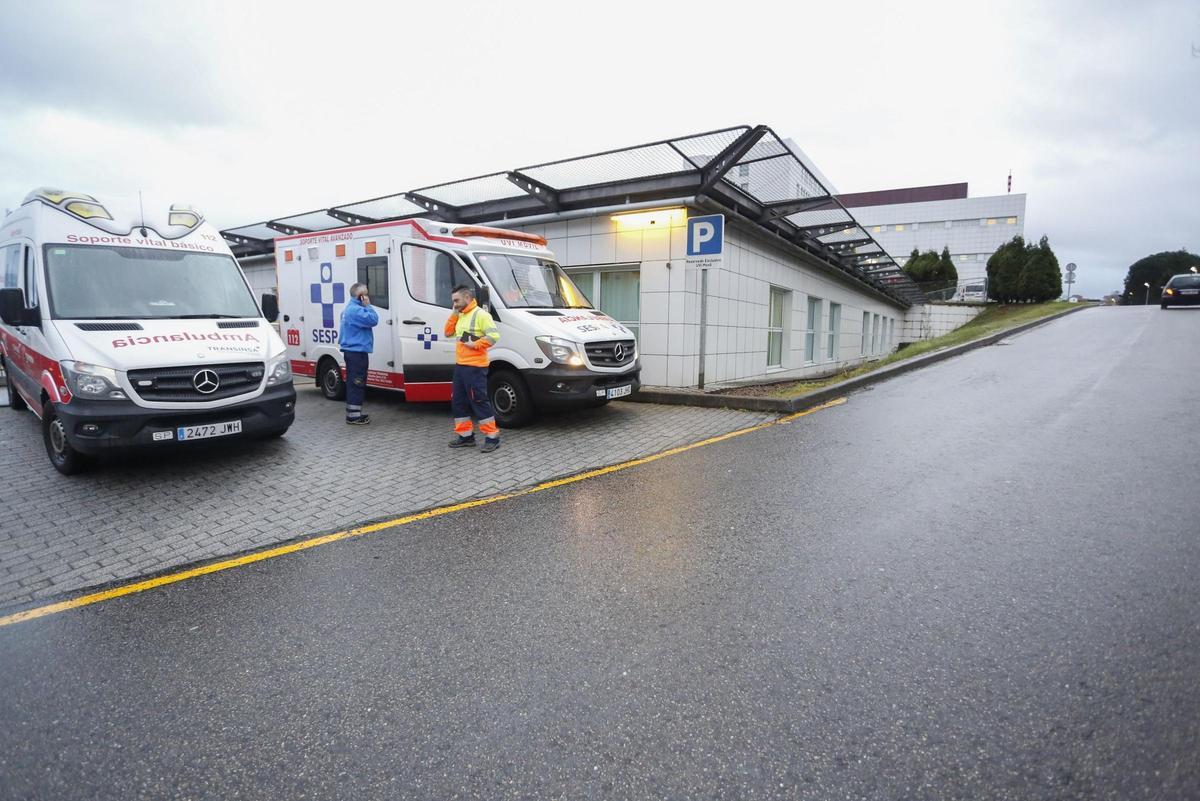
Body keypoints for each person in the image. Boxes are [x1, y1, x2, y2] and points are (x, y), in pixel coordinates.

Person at [445, 285, 501, 452]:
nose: (454, 303)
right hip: (461, 366)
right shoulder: (460, 314)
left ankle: (492, 438)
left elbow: (493, 337)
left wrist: (475, 343)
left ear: (467, 298)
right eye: (453, 301)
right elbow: (447, 332)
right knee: (458, 402)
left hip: (476, 367)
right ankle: (466, 436)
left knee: (479, 401)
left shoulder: (481, 315)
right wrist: (454, 314)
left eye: (456, 300)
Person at [339, 282, 379, 425]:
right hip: (357, 353)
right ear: (361, 296)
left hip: (352, 352)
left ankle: (353, 413)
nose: (368, 296)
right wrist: (368, 305)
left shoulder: (348, 310)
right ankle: (354, 416)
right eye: (366, 294)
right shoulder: (356, 310)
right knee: (357, 382)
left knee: (354, 382)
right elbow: (374, 320)